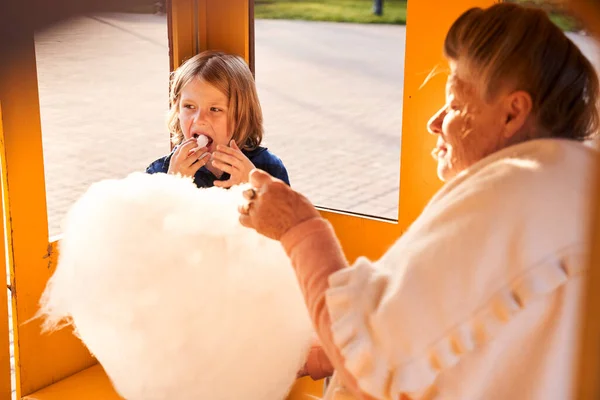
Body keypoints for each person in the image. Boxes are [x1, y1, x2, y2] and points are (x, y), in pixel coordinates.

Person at [238, 3, 599, 399]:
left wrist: (297, 226)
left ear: (513, 113)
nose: (436, 121)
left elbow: (368, 360)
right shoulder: (570, 183)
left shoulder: (516, 189)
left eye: (456, 104)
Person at [146, 50, 290, 188]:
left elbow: (289, 213)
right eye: (189, 106)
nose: (199, 120)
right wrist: (171, 187)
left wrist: (255, 188)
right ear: (177, 108)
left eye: (215, 109)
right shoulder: (161, 172)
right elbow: (148, 213)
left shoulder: (268, 168)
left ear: (241, 115)